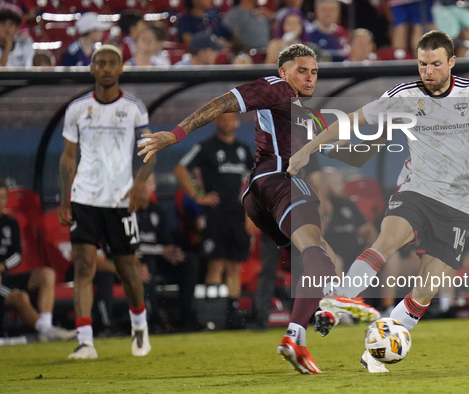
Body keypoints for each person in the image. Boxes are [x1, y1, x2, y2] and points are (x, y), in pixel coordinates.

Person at [138, 43, 379, 374]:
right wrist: (176, 134)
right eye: (301, 70)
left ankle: (315, 318)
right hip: (279, 181)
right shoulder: (275, 87)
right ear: (283, 71)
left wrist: (387, 128)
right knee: (316, 251)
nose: (310, 78)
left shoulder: (306, 114)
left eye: (314, 72)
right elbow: (221, 103)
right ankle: (311, 320)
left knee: (321, 255)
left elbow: (352, 153)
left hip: (260, 193)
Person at [288, 30, 469, 368]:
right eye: (423, 64)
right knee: (386, 241)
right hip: (416, 189)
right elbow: (351, 121)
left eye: (436, 64)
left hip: (459, 203)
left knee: (426, 289)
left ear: (451, 62)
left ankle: (375, 351)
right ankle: (339, 301)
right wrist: (307, 148)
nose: (428, 71)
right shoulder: (403, 95)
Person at [58, 44, 155, 359]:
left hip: (120, 200)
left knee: (127, 269)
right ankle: (85, 341)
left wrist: (140, 183)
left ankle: (139, 325)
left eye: (113, 63)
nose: (107, 68)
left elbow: (149, 151)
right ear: (92, 69)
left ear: (121, 68)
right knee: (84, 265)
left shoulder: (135, 107)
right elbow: (68, 157)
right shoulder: (77, 109)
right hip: (84, 198)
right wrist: (65, 197)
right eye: (101, 63)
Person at [174, 112, 254, 327]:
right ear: (217, 121)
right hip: (215, 213)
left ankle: (232, 314)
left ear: (237, 121)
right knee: (216, 264)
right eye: (223, 118)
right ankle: (212, 315)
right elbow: (180, 168)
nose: (227, 122)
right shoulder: (205, 147)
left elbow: (254, 182)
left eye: (231, 118)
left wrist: (251, 213)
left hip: (237, 213)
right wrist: (197, 196)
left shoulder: (244, 149)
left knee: (235, 265)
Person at [0, 179, 75, 341]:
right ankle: (49, 332)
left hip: (6, 275)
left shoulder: (10, 223)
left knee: (47, 274)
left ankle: (45, 330)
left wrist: (2, 266)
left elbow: (17, 255)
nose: (1, 202)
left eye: (4, 197)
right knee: (21, 298)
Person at [136, 173, 200, 329]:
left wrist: (174, 252)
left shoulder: (158, 211)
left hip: (158, 259)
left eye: (149, 183)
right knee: (148, 263)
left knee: (189, 261)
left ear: (154, 187)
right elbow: (130, 246)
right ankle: (151, 318)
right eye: (142, 183)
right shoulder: (128, 212)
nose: (146, 187)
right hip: (137, 260)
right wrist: (161, 250)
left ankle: (186, 317)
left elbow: (166, 242)